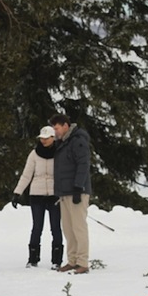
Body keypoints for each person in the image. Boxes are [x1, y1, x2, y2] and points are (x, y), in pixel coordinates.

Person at [11, 126, 64, 269]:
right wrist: (17, 192)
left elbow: (64, 174)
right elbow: (26, 174)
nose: (43, 140)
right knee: (37, 227)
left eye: (46, 138)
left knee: (56, 228)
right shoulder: (34, 154)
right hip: (37, 195)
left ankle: (57, 260)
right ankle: (33, 258)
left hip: (54, 195)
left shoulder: (60, 153)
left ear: (53, 138)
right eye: (42, 138)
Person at [49, 113, 91, 274]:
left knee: (78, 227)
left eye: (57, 128)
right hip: (64, 192)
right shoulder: (63, 143)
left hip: (76, 191)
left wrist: (78, 187)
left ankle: (82, 261)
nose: (55, 131)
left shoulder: (77, 141)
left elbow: (83, 164)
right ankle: (72, 260)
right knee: (68, 228)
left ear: (65, 126)